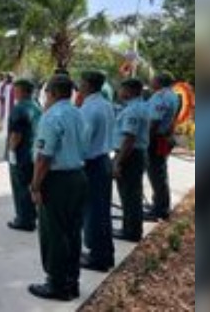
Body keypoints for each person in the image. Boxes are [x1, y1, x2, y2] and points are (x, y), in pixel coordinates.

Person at [28, 75, 88, 301]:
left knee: (54, 234)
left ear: (51, 92)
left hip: (57, 180)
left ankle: (56, 284)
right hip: (78, 176)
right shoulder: (77, 113)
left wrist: (35, 186)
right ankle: (71, 282)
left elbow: (44, 157)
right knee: (72, 232)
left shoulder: (51, 116)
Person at [78, 71, 117, 272]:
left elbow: (83, 143)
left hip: (92, 163)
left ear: (87, 84)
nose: (79, 84)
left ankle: (97, 257)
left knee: (93, 212)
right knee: (102, 212)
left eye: (81, 81)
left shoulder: (89, 109)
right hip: (103, 159)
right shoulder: (105, 104)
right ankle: (105, 253)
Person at [113, 78, 151, 243]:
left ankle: (131, 231)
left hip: (131, 155)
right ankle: (129, 228)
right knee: (130, 194)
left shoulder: (133, 110)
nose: (119, 92)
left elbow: (129, 138)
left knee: (130, 195)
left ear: (129, 90)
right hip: (133, 154)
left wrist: (118, 162)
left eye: (121, 88)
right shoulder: (138, 106)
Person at [6, 78, 42, 232]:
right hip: (33, 152)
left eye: (16, 90)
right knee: (29, 185)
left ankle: (24, 220)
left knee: (20, 187)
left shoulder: (19, 108)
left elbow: (16, 134)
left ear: (21, 91)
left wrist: (11, 151)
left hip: (21, 154)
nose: (14, 93)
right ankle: (32, 216)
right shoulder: (36, 106)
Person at [145, 72, 179, 221]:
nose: (151, 81)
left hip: (155, 138)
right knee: (159, 172)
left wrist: (145, 139)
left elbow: (154, 121)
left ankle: (160, 209)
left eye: (153, 79)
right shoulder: (172, 95)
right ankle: (159, 204)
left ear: (159, 82)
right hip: (163, 136)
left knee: (156, 173)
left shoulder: (161, 97)